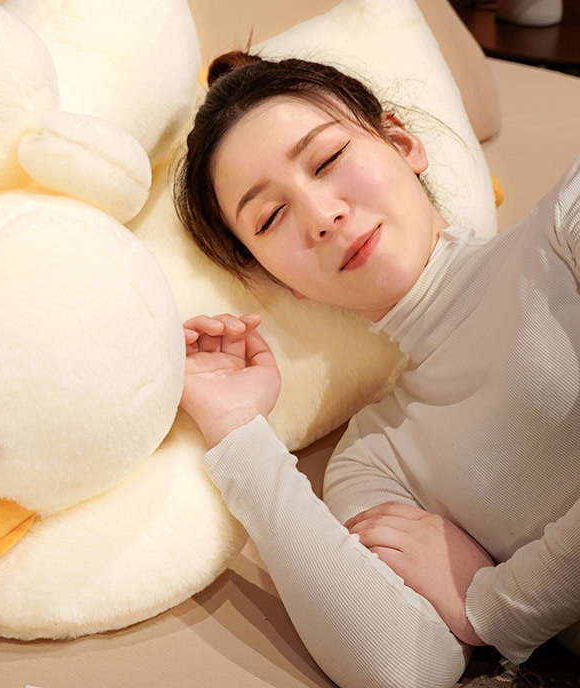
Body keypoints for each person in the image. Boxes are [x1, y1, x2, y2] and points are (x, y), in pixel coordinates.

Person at [172, 52, 580, 688]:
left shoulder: (568, 219)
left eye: (328, 159)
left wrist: (495, 606)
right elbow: (405, 669)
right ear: (279, 282)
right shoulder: (372, 457)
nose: (321, 216)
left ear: (402, 143)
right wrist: (238, 434)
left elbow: (488, 616)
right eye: (271, 218)